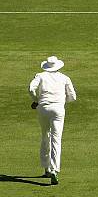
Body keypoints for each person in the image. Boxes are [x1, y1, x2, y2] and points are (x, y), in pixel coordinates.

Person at [29, 56, 77, 185]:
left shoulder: (40, 76)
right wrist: (60, 101)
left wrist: (36, 100)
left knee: (45, 136)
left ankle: (46, 169)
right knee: (56, 139)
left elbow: (31, 88)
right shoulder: (64, 78)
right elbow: (72, 97)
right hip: (58, 110)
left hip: (43, 108)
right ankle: (54, 170)